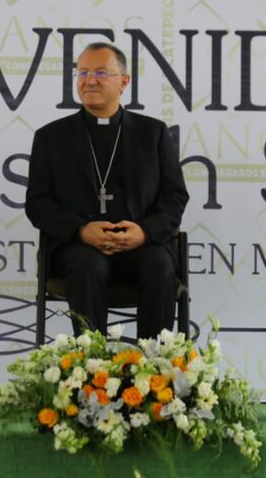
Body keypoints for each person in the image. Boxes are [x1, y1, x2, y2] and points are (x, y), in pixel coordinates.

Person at [26, 42, 189, 339]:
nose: (89, 80)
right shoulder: (51, 137)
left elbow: (175, 196)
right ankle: (90, 368)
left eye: (101, 72)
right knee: (88, 265)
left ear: (124, 81)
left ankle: (155, 370)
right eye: (83, 72)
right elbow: (38, 203)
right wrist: (80, 231)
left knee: (160, 268)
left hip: (143, 245)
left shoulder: (152, 133)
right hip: (78, 249)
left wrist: (144, 232)